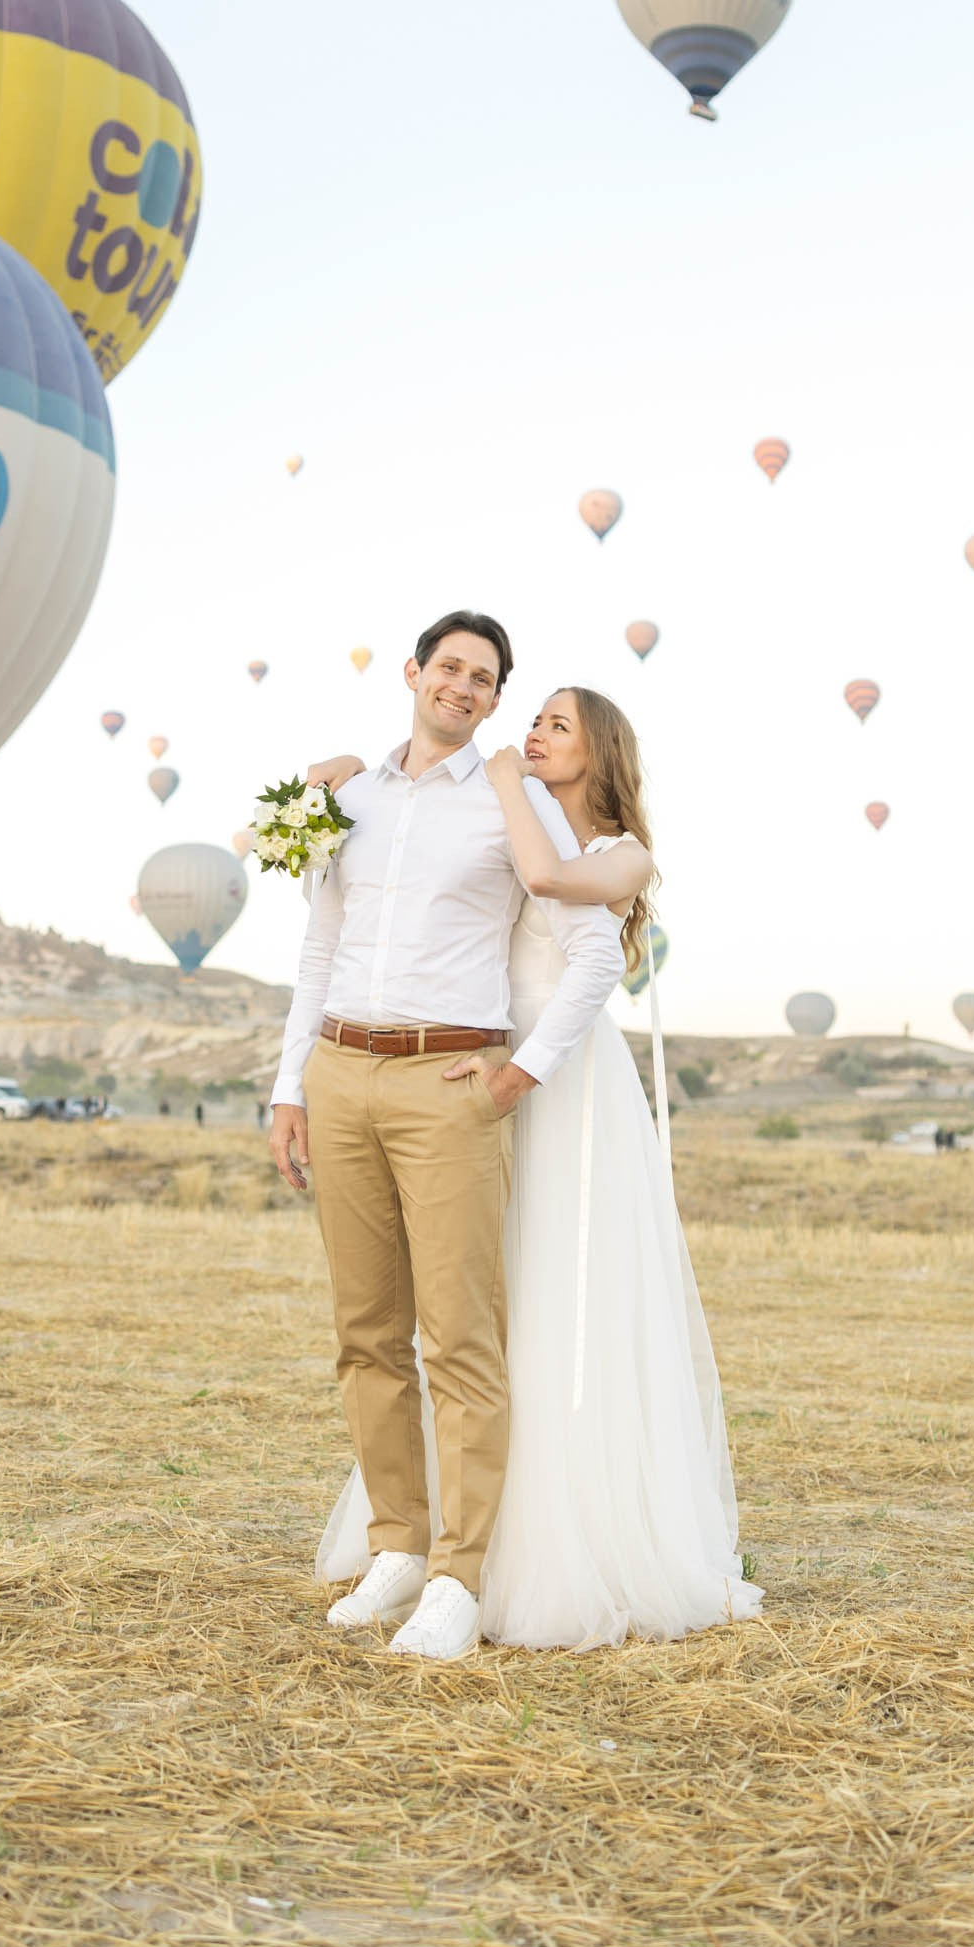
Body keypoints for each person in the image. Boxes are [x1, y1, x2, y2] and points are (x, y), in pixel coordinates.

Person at [304, 684, 763, 1654]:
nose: (533, 733)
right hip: (478, 1075)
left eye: (556, 724)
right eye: (535, 720)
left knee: (550, 1306)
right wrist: (345, 787)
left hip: (555, 1083)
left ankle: (549, 1542)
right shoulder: (517, 822)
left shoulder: (601, 848)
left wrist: (518, 1069)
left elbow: (578, 933)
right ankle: (428, 1540)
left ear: (598, 750)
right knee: (472, 1305)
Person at [268, 614, 624, 1665]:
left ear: (495, 701)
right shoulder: (350, 801)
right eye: (450, 668)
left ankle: (460, 1580)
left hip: (446, 1078)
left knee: (459, 1338)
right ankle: (396, 1546)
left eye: (485, 679)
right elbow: (317, 945)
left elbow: (593, 952)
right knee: (364, 1328)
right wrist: (290, 1086)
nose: (463, 688)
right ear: (413, 673)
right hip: (339, 1070)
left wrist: (521, 1070)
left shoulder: (511, 809)